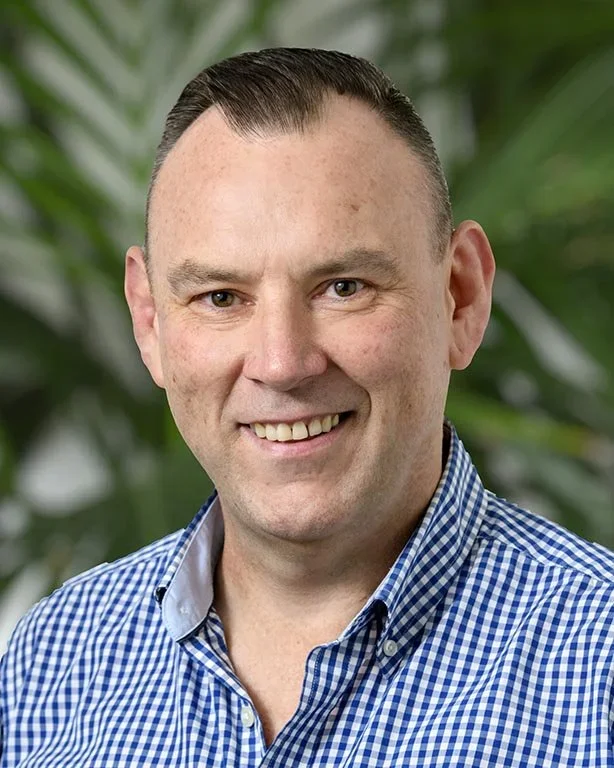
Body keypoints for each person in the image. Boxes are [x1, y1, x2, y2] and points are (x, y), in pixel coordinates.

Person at [1, 47, 613, 767]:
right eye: (221, 298)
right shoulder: (52, 665)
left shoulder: (598, 667)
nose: (283, 363)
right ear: (149, 323)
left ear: (461, 298)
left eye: (344, 286)